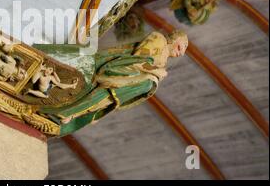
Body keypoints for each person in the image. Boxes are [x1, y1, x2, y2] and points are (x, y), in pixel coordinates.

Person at [37, 30, 188, 136]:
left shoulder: (163, 63)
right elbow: (138, 58)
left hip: (124, 82)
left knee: (147, 84)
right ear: (174, 40)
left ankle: (72, 113)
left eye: (183, 51)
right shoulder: (159, 39)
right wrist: (155, 72)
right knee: (149, 82)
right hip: (118, 67)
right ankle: (65, 110)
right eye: (181, 47)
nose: (180, 52)